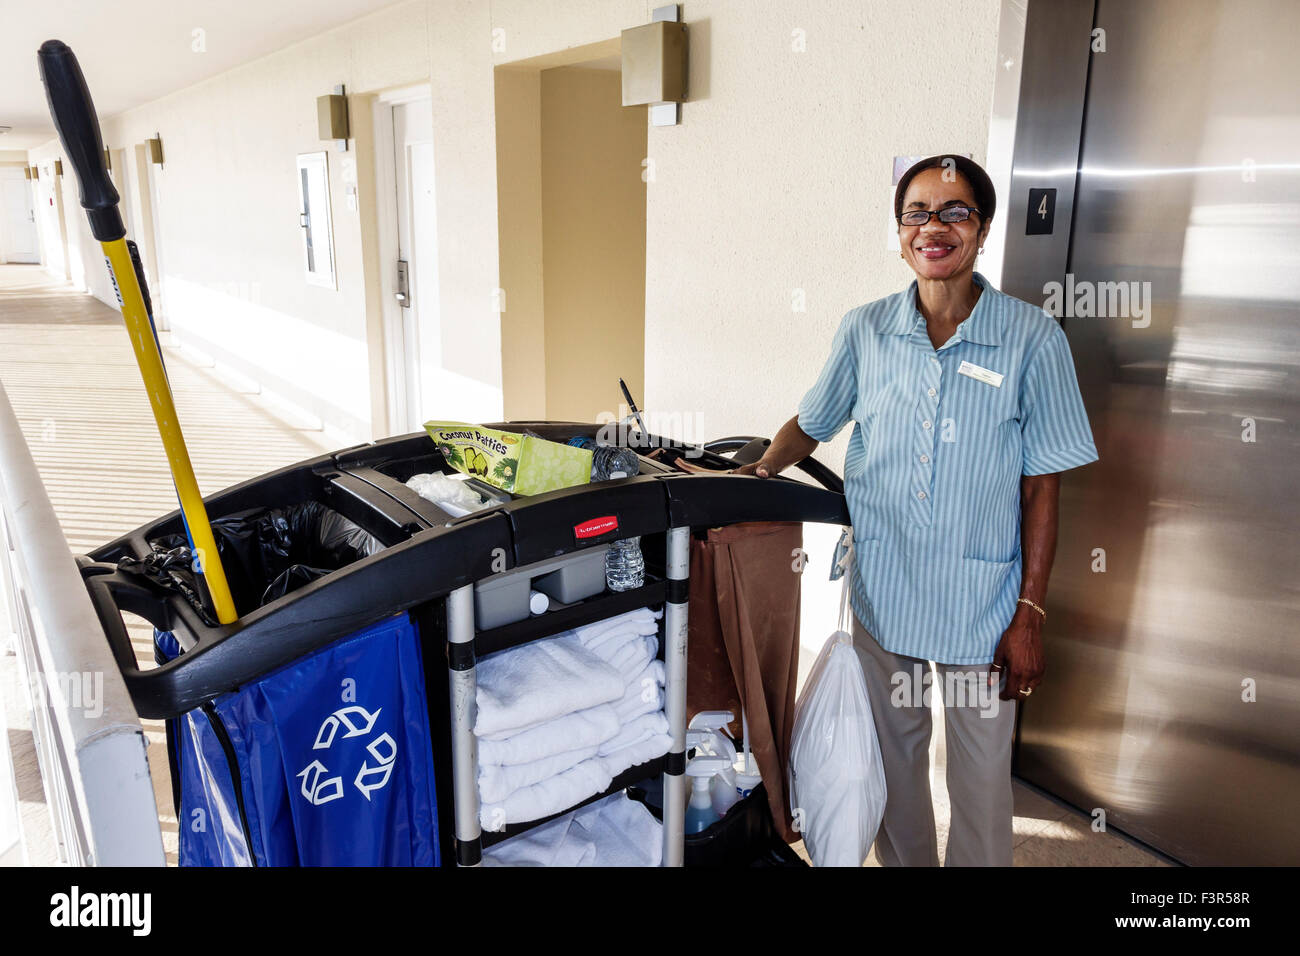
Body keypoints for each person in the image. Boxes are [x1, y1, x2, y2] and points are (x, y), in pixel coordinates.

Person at [735, 154, 1098, 866]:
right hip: (886, 587)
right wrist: (758, 471)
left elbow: (1042, 487)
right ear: (901, 232)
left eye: (954, 211)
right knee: (895, 764)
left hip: (983, 600)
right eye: (916, 213)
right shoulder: (865, 330)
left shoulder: (1032, 339)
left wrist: (1031, 613)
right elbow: (813, 421)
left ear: (982, 229)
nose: (933, 227)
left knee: (981, 779)